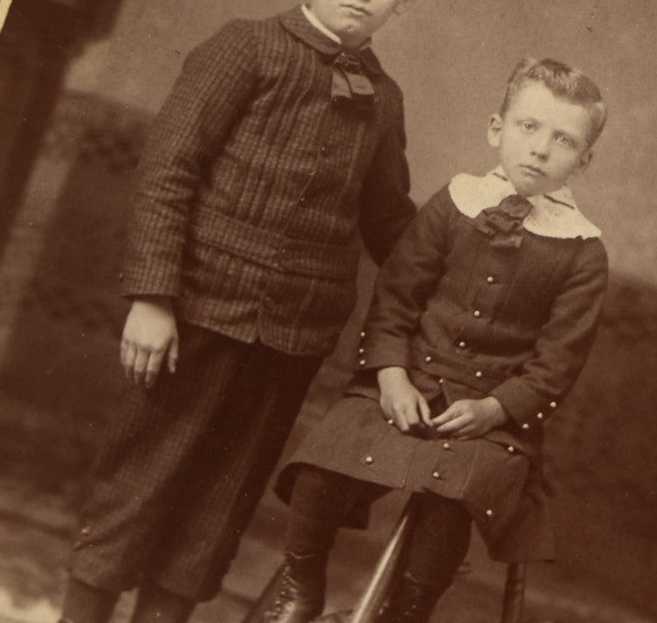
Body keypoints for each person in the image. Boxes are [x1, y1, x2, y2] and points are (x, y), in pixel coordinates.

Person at [58, 0, 424, 623]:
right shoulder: (244, 50)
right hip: (190, 316)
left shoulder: (383, 98)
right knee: (138, 485)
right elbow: (169, 170)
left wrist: (453, 270)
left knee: (214, 512)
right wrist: (153, 299)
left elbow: (389, 222)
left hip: (288, 342)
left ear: (405, 0)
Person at [243, 57, 609, 623]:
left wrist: (494, 408)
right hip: (405, 384)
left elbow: (557, 363)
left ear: (582, 161)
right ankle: (303, 582)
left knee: (453, 492)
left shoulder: (583, 250)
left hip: (491, 419)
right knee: (326, 455)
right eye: (528, 127)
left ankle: (407, 611)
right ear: (497, 129)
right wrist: (390, 375)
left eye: (563, 140)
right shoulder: (455, 203)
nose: (539, 148)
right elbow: (395, 300)